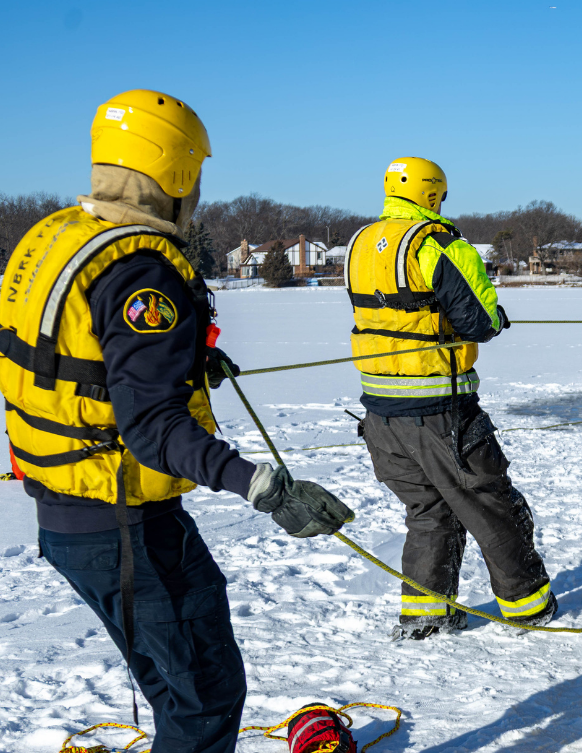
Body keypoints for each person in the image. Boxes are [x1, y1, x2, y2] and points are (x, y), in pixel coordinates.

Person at [8, 90, 354, 751]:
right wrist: (264, 487)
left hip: (64, 515)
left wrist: (185, 358)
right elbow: (153, 428)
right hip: (125, 525)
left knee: (176, 687)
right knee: (206, 699)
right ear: (175, 172)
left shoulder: (52, 238)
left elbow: (77, 356)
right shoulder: (140, 271)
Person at [347, 156, 555, 639]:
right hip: (441, 412)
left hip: (379, 414)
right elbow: (478, 320)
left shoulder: (359, 245)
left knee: (429, 512)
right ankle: (529, 607)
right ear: (433, 193)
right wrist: (495, 317)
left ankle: (426, 615)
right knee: (492, 506)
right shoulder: (437, 243)